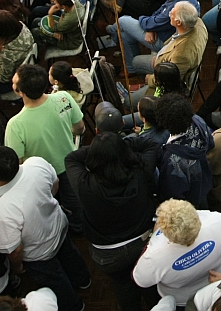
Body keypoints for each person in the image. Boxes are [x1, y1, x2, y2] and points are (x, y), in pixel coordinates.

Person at [0, 146, 91, 311]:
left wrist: (18, 268)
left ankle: (76, 306)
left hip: (40, 254)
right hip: (58, 226)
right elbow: (55, 184)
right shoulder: (36, 164)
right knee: (70, 255)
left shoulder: (2, 210)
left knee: (56, 280)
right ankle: (84, 280)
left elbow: (15, 249)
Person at [65, 131, 159, 311]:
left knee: (122, 286)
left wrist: (99, 150)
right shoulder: (141, 171)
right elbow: (150, 144)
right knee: (150, 284)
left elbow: (72, 158)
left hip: (107, 255)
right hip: (145, 243)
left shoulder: (84, 185)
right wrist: (118, 147)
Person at [5, 64, 85, 234]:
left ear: (20, 92)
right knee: (75, 208)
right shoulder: (64, 97)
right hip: (71, 166)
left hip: (42, 180)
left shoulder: (15, 125)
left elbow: (16, 162)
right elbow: (80, 129)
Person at [133, 199, 221, 306]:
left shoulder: (154, 255)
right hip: (219, 284)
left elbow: (140, 280)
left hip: (184, 300)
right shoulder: (217, 222)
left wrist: (152, 239)